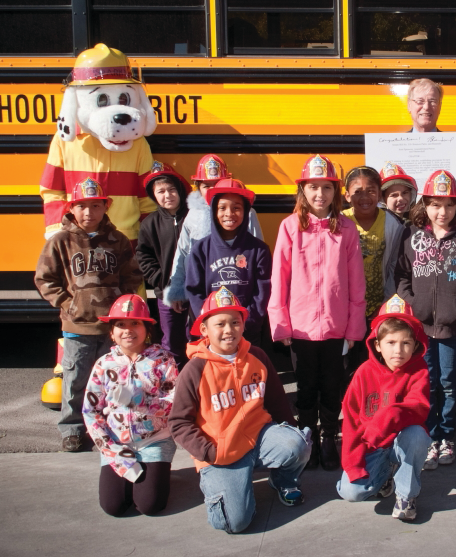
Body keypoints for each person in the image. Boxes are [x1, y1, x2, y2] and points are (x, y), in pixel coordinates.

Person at [170, 288, 311, 533]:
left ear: (243, 325)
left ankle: (282, 481)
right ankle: (230, 489)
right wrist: (208, 452)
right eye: (220, 323)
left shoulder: (257, 355)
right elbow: (179, 423)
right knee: (234, 523)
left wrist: (291, 433)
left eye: (235, 322)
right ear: (204, 329)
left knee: (298, 444)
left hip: (258, 436)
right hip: (220, 451)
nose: (228, 330)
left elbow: (277, 400)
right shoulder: (194, 369)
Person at [269, 154, 367, 471]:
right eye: (313, 187)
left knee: (332, 387)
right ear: (303, 190)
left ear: (335, 192)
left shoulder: (347, 229)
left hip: (337, 328)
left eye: (326, 187)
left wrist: (354, 329)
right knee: (306, 387)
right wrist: (280, 324)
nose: (319, 194)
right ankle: (305, 437)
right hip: (300, 328)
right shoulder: (289, 228)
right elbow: (279, 279)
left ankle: (329, 438)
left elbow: (356, 283)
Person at [34, 176, 143, 452]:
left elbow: (132, 274)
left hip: (112, 328)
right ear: (71, 208)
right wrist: (67, 303)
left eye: (95, 206)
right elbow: (45, 278)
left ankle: (110, 424)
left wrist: (123, 304)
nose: (88, 213)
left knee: (112, 379)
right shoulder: (61, 241)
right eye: (82, 206)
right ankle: (72, 429)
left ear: (105, 207)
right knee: (75, 380)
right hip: (78, 326)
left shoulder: (117, 240)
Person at [395, 169, 456, 471]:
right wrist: (415, 304)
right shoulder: (413, 236)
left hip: (453, 327)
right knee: (427, 382)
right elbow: (401, 275)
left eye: (449, 205)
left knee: (448, 383)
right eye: (436, 204)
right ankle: (428, 437)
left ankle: (446, 437)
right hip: (421, 327)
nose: (442, 211)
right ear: (425, 204)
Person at [337, 295, 433, 522]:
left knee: (418, 434)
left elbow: (420, 408)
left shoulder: (418, 370)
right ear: (377, 345)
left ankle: (406, 495)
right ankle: (385, 475)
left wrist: (391, 414)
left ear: (415, 345)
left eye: (406, 343)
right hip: (372, 445)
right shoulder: (363, 372)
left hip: (401, 440)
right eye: (391, 343)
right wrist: (354, 462)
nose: (398, 350)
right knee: (350, 492)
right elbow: (350, 420)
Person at [83, 294, 177, 517]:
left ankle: (157, 472)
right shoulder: (103, 364)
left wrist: (139, 400)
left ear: (146, 328)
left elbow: (175, 402)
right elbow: (90, 411)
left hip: (154, 441)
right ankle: (138, 476)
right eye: (120, 325)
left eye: (135, 323)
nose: (128, 330)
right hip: (116, 444)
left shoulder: (163, 360)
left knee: (150, 505)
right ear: (112, 333)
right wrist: (108, 446)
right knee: (113, 506)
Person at [164, 154, 263, 320]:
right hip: (203, 293)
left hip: (240, 291)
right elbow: (182, 253)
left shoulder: (248, 214)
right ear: (197, 187)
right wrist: (177, 288)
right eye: (205, 186)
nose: (211, 190)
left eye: (216, 184)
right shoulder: (193, 216)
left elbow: (259, 253)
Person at [185, 178, 272, 350]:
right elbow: (194, 291)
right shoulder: (200, 250)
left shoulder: (259, 249)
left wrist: (247, 324)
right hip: (214, 335)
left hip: (248, 333)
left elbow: (263, 291)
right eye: (222, 207)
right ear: (213, 211)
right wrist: (211, 324)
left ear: (246, 211)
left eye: (237, 208)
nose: (229, 213)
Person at [344, 165, 407, 376]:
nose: (364, 197)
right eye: (357, 191)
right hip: (344, 308)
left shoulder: (392, 223)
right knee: (346, 364)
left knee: (373, 361)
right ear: (346, 195)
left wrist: (385, 302)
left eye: (371, 190)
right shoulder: (340, 222)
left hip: (377, 305)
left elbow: (394, 266)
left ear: (379, 193)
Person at [136, 160, 191, 364]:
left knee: (197, 338)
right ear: (153, 195)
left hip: (195, 292)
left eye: (171, 189)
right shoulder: (149, 224)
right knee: (172, 342)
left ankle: (198, 381)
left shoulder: (194, 218)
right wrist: (165, 285)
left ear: (180, 190)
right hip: (167, 294)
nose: (167, 195)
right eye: (160, 191)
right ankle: (174, 383)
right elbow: (144, 257)